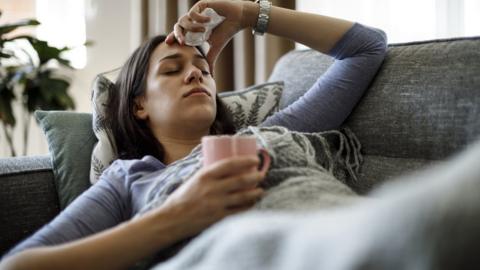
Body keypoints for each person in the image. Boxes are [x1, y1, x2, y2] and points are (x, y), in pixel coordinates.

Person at [0, 1, 387, 269]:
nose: (195, 73)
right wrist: (176, 215)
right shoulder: (129, 178)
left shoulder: (266, 134)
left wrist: (247, 14)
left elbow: (367, 48)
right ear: (139, 106)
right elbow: (19, 264)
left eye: (203, 67)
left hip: (348, 239)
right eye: (171, 69)